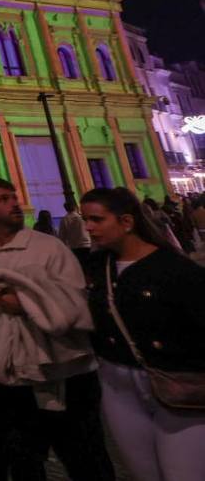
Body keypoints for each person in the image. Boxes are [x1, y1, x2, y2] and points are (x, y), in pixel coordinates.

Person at [0, 178, 114, 481]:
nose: (15, 203)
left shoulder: (48, 246)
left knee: (85, 457)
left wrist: (28, 304)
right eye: (4, 199)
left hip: (67, 370)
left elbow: (77, 300)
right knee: (24, 460)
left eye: (14, 197)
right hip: (15, 376)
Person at [81, 187, 205, 481]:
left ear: (126, 222)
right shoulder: (98, 266)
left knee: (183, 473)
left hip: (176, 383)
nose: (88, 227)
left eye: (97, 220)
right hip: (117, 383)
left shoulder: (175, 269)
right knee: (144, 472)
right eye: (86, 219)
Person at [58, 193, 93, 271]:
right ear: (75, 207)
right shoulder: (81, 218)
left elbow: (62, 236)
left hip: (75, 247)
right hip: (87, 245)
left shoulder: (64, 220)